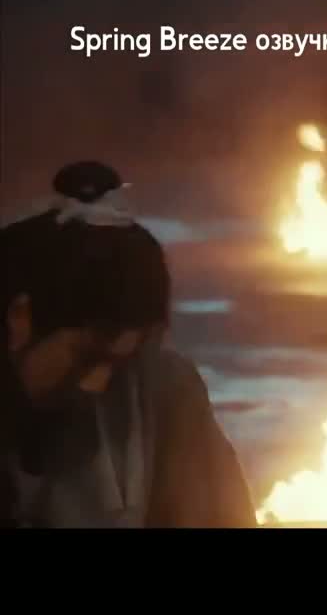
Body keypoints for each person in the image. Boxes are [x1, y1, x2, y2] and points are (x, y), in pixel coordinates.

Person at [1, 161, 257, 527]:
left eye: (121, 363)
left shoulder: (161, 388)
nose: (96, 384)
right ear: (19, 318)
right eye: (86, 358)